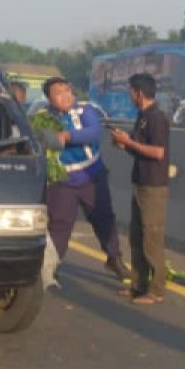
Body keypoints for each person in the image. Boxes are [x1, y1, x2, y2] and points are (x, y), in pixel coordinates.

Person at [39, 76, 131, 281]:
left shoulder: (85, 111)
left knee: (104, 219)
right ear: (49, 99)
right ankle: (52, 266)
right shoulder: (43, 117)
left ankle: (115, 259)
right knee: (59, 226)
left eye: (67, 90)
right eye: (58, 93)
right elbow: (44, 141)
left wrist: (67, 136)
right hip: (61, 182)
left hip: (92, 176)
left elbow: (94, 133)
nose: (65, 96)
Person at [110, 73, 171, 306]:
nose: (130, 97)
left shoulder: (157, 118)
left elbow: (157, 152)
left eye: (130, 92)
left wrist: (130, 142)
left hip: (153, 185)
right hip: (140, 181)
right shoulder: (142, 116)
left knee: (151, 237)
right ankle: (138, 284)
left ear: (139, 93)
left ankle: (156, 289)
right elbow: (139, 148)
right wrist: (124, 144)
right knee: (136, 236)